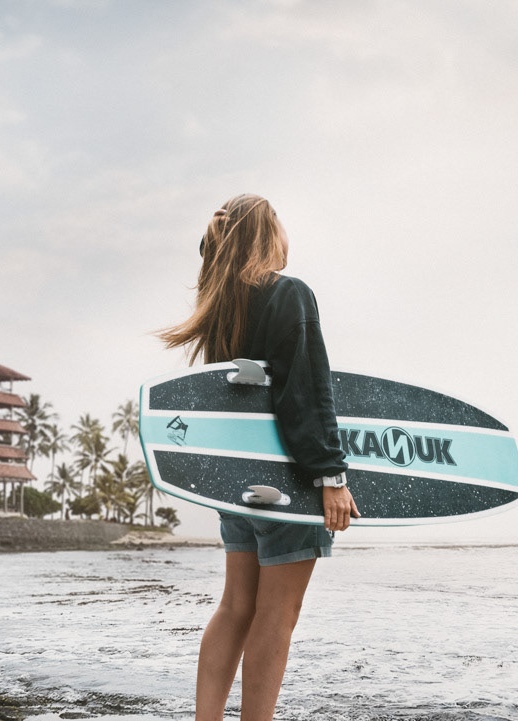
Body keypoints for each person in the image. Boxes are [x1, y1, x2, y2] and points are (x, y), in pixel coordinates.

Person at [158, 194, 360, 721]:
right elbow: (304, 392)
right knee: (277, 616)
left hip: (236, 484)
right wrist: (330, 476)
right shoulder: (289, 293)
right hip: (288, 483)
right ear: (267, 232)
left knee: (235, 608)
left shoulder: (223, 307)